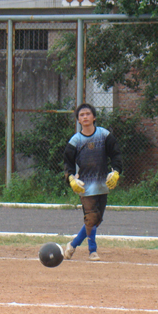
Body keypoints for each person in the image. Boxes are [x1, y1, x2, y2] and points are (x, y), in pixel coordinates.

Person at [63, 103, 123, 261]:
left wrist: (116, 171)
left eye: (88, 114)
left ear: (94, 117)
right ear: (78, 120)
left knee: (97, 220)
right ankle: (92, 251)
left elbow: (116, 155)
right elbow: (67, 163)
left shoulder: (104, 135)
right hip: (85, 186)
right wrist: (71, 178)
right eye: (81, 115)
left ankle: (73, 244)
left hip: (102, 184)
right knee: (91, 218)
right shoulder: (75, 140)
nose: (85, 117)